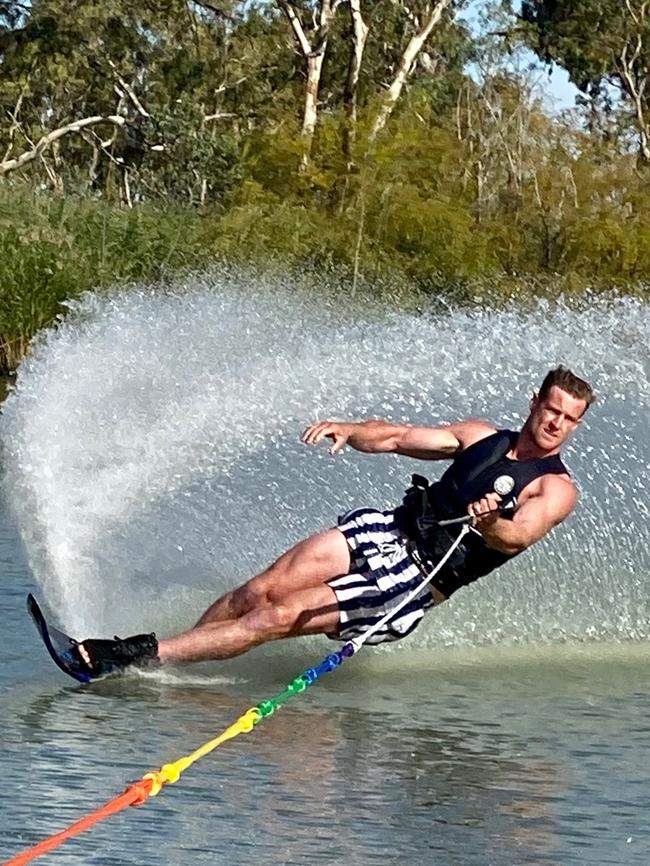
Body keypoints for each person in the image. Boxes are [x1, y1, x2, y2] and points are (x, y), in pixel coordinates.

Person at [74, 366, 594, 677]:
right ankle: (171, 659)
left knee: (274, 618)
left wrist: (488, 524)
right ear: (535, 402)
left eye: (569, 418)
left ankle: (129, 655)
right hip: (386, 530)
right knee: (261, 590)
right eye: (552, 409)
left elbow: (517, 535)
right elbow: (396, 437)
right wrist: (351, 430)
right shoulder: (481, 436)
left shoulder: (554, 488)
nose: (556, 424)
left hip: (411, 581)